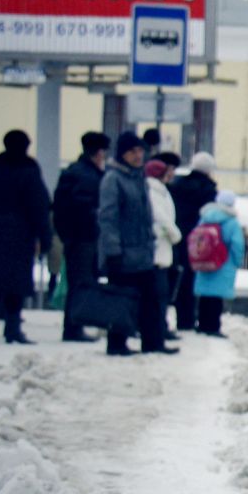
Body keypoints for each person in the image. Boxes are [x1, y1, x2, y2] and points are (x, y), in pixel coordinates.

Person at [99, 131, 174, 356]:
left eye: (140, 150)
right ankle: (117, 342)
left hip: (142, 252)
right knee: (122, 299)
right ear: (122, 153)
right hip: (123, 252)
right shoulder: (113, 179)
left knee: (151, 300)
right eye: (132, 151)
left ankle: (153, 342)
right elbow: (108, 217)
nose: (137, 155)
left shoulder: (138, 178)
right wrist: (112, 249)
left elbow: (146, 214)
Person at [0, 130, 51, 344]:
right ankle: (12, 328)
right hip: (21, 234)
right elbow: (39, 205)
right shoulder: (29, 171)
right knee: (15, 284)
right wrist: (44, 237)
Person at [51, 131, 109, 342]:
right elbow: (85, 208)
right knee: (81, 282)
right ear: (99, 152)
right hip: (84, 237)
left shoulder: (75, 172)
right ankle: (74, 328)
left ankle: (75, 325)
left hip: (75, 237)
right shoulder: (88, 175)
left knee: (78, 281)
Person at [169, 151, 219, 332]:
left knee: (181, 278)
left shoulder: (178, 184)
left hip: (179, 235)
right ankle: (192, 318)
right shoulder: (208, 189)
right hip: (199, 239)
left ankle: (183, 318)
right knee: (195, 278)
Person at [191, 190, 246, 338]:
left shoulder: (205, 217)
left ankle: (201, 324)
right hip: (223, 262)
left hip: (204, 260)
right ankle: (213, 326)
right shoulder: (232, 222)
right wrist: (236, 261)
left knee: (205, 295)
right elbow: (237, 244)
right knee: (216, 298)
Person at [144, 159, 182, 340]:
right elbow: (162, 218)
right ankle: (157, 332)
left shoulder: (160, 191)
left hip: (160, 248)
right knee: (158, 294)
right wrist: (175, 234)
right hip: (159, 248)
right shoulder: (155, 192)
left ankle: (159, 329)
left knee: (160, 293)